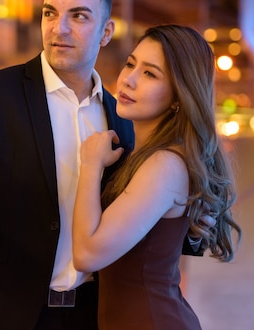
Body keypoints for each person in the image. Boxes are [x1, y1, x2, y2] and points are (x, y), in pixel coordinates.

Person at [0, 0, 205, 330]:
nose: (60, 29)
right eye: (50, 13)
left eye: (79, 16)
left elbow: (144, 232)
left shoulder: (126, 120)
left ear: (106, 32)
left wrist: (193, 224)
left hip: (90, 316)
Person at [72, 24, 242, 330]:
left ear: (179, 95)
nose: (129, 80)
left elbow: (87, 255)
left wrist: (91, 165)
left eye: (150, 74)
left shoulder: (165, 164)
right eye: (131, 64)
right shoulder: (144, 154)